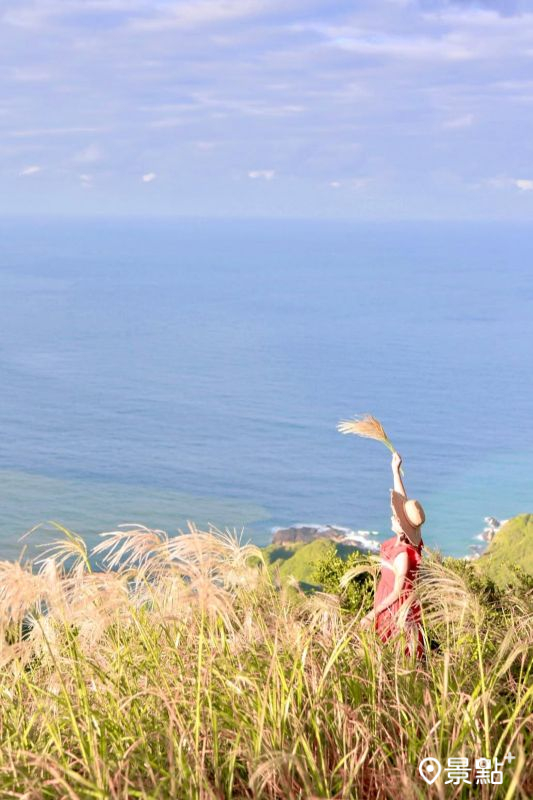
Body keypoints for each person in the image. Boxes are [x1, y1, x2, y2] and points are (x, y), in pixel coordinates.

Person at [360, 451, 425, 658]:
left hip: (395, 611)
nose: (392, 516)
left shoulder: (403, 555)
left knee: (395, 656)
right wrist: (395, 471)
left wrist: (372, 614)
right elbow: (402, 501)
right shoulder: (407, 542)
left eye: (396, 518)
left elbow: (397, 591)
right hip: (387, 602)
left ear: (403, 527)